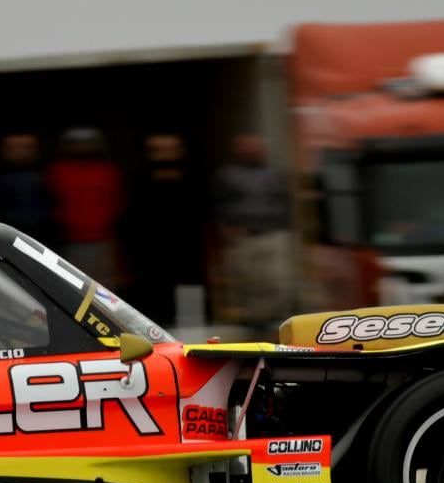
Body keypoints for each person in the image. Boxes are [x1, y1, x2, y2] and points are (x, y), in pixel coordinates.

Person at [212, 133, 293, 334]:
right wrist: (226, 230)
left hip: (272, 233)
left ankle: (276, 320)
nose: (252, 152)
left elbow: (285, 201)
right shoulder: (227, 175)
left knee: (276, 279)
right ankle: (255, 323)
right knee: (249, 281)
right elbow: (217, 204)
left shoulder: (275, 174)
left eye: (256, 148)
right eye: (247, 148)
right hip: (243, 236)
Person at [128, 133, 202, 325]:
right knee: (154, 291)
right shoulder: (139, 177)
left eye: (169, 149)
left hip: (187, 243)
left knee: (190, 289)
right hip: (150, 246)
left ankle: (193, 325)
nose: (164, 155)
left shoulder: (192, 175)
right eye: (158, 150)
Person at [45, 128, 125, 283]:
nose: (83, 148)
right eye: (77, 144)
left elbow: (117, 203)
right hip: (68, 241)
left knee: (106, 287)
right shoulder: (56, 172)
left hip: (106, 240)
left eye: (88, 143)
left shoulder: (109, 171)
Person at [0, 133, 51, 242]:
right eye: (13, 148)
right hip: (6, 231)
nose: (20, 152)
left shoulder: (50, 175)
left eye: (27, 148)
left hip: (43, 231)